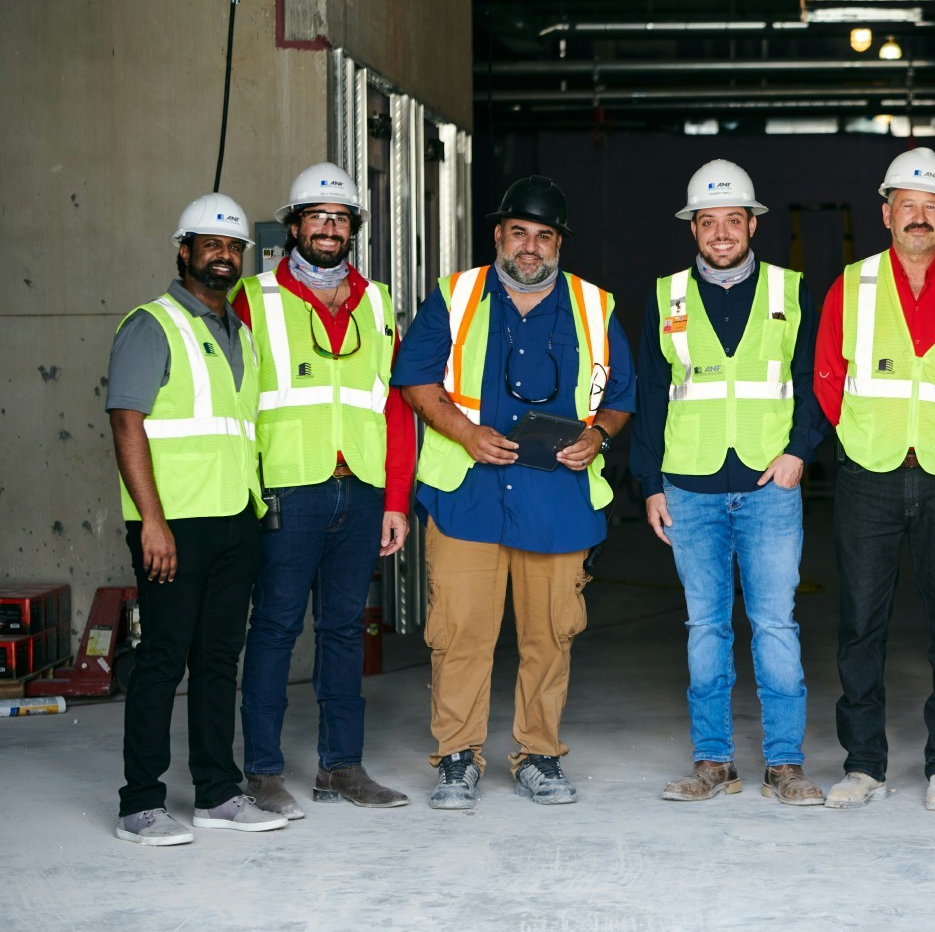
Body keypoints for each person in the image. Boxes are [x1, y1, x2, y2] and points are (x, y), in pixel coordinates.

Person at [394, 176, 634, 810]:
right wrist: (465, 432)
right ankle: (457, 757)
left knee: (550, 636)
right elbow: (414, 379)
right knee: (460, 633)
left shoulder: (594, 305)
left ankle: (539, 754)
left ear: (559, 244)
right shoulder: (456, 296)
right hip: (467, 497)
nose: (531, 248)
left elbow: (622, 400)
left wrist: (598, 437)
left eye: (544, 236)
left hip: (557, 503)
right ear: (498, 234)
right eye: (520, 233)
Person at [813, 147, 935, 811]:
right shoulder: (853, 283)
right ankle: (863, 763)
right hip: (871, 471)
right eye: (908, 206)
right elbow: (828, 375)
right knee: (860, 622)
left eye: (932, 208)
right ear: (886, 212)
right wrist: (865, 441)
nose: (919, 218)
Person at [632, 160, 829, 807]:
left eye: (732, 220)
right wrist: (650, 484)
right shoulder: (666, 298)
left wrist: (801, 452)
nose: (721, 232)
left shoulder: (791, 290)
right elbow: (651, 396)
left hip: (771, 487)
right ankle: (714, 762)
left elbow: (818, 379)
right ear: (693, 229)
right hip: (690, 486)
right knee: (705, 627)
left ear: (752, 224)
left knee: (775, 625)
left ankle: (785, 765)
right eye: (707, 221)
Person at [233, 163, 415, 818]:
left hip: (359, 490)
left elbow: (395, 408)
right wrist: (245, 494)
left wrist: (396, 500)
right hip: (288, 489)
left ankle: (342, 768)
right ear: (294, 227)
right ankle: (260, 773)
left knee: (343, 631)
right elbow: (237, 401)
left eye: (341, 218)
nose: (330, 228)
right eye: (317, 216)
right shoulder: (254, 300)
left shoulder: (376, 301)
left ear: (353, 229)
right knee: (276, 630)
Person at [107, 194, 288, 844]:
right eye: (210, 244)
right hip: (174, 525)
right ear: (183, 250)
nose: (224, 255)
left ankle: (216, 793)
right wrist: (150, 521)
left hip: (236, 518)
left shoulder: (238, 332)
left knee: (219, 659)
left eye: (233, 247)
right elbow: (127, 420)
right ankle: (140, 804)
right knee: (162, 659)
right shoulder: (152, 324)